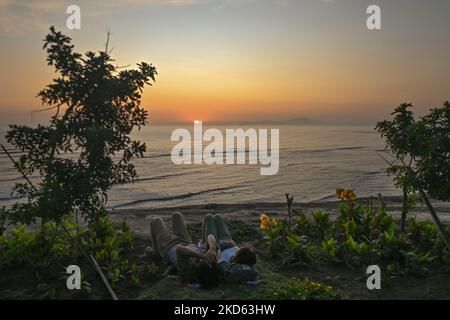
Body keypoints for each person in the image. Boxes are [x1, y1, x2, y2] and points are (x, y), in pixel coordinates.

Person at [150, 212, 221, 288]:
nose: (206, 260)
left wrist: (202, 256)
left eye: (204, 262)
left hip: (168, 246)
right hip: (185, 240)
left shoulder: (188, 271)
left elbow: (180, 249)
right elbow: (210, 236)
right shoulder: (208, 261)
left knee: (156, 221)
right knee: (176, 215)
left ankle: (156, 251)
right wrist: (212, 249)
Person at [201, 214, 257, 283]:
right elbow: (234, 246)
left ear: (237, 256)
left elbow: (210, 237)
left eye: (241, 249)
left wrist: (216, 247)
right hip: (227, 240)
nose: (240, 247)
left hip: (213, 243)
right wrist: (230, 244)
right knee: (217, 217)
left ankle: (204, 239)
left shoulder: (226, 264)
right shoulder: (240, 255)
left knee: (208, 217)